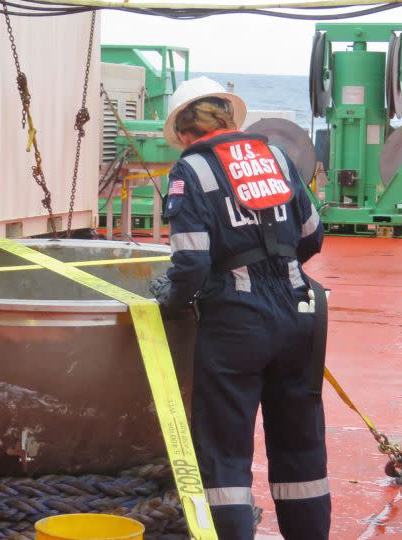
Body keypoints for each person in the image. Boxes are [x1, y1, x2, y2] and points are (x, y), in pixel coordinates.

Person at [150, 77, 329, 539]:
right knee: (301, 450)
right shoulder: (277, 158)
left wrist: (170, 306)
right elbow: (313, 236)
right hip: (300, 319)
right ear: (229, 118)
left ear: (185, 133)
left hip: (236, 325)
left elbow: (189, 263)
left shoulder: (191, 171)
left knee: (226, 454)